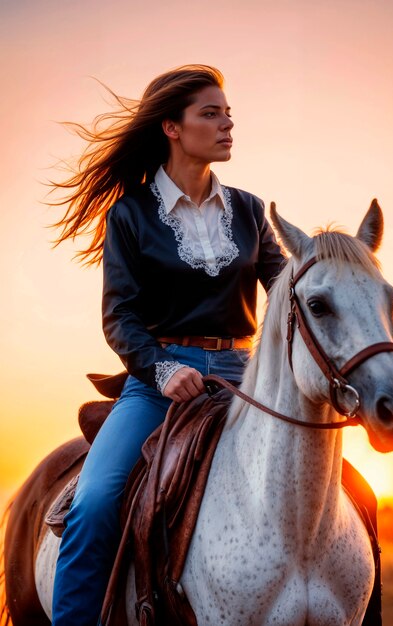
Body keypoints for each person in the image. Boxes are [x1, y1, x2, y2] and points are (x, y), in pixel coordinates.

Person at [50, 64, 285, 625]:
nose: (228, 124)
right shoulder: (130, 214)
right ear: (172, 128)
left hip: (243, 378)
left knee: (348, 495)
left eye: (228, 113)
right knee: (95, 504)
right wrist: (159, 369)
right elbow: (120, 316)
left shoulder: (250, 209)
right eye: (211, 113)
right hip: (157, 384)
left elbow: (287, 292)